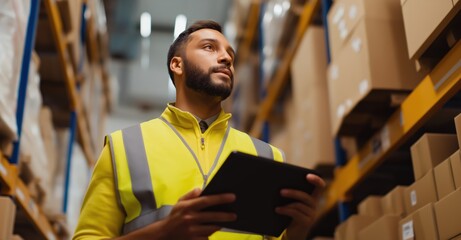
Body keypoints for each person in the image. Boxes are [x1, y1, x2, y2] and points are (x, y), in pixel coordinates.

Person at [73, 20, 325, 240]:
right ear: (177, 65)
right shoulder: (124, 147)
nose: (226, 58)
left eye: (230, 55)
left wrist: (297, 234)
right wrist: (163, 233)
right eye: (209, 48)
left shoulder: (269, 156)